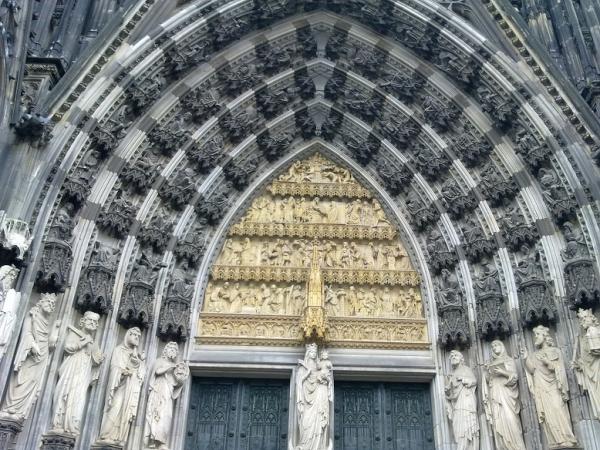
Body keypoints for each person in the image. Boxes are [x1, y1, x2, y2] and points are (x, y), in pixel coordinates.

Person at [0, 294, 59, 422]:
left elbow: (49, 344)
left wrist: (55, 331)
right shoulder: (33, 315)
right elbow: (26, 333)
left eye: (53, 304)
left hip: (41, 357)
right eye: (48, 302)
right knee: (21, 378)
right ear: (41, 302)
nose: (51, 305)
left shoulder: (47, 323)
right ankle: (10, 407)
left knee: (32, 381)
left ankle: (20, 411)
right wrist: (32, 344)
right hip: (30, 355)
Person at [522, 326, 578, 448]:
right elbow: (532, 370)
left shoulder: (555, 351)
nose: (535, 337)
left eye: (537, 334)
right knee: (548, 415)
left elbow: (559, 368)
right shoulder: (534, 355)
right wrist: (526, 358)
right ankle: (555, 440)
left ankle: (567, 437)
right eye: (535, 335)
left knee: (558, 408)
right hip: (541, 387)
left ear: (544, 336)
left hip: (554, 386)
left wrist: (548, 362)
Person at [50, 311, 104, 435]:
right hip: (72, 369)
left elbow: (95, 359)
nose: (92, 323)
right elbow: (68, 347)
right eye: (90, 320)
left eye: (95, 322)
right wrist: (84, 342)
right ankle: (60, 422)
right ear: (82, 321)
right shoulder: (74, 333)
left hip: (84, 373)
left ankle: (73, 423)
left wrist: (99, 358)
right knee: (66, 392)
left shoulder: (94, 342)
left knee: (79, 397)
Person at [97, 327, 146, 446]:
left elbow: (140, 375)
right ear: (128, 335)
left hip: (130, 389)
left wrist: (141, 362)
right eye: (134, 335)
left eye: (138, 336)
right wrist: (123, 372)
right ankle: (106, 435)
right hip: (119, 387)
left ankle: (118, 438)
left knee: (125, 412)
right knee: (115, 407)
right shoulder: (119, 350)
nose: (137, 338)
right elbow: (114, 368)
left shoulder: (136, 356)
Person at [144, 342, 189, 449]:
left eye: (175, 350)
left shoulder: (175, 366)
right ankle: (153, 439)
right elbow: (157, 371)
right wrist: (170, 366)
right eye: (171, 349)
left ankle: (161, 441)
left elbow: (176, 383)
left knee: (167, 415)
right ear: (165, 350)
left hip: (168, 393)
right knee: (157, 413)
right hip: (158, 392)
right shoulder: (160, 361)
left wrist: (181, 379)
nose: (173, 351)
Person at [483, 340, 526, 450]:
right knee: (498, 420)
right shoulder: (491, 363)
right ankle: (504, 446)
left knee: (510, 418)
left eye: (496, 345)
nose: (494, 347)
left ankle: (516, 446)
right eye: (492, 346)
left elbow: (514, 376)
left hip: (507, 394)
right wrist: (487, 371)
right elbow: (488, 380)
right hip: (495, 394)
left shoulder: (508, 360)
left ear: (502, 346)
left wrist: (502, 372)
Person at [295, 343, 333, 450]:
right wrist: (307, 372)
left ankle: (319, 446)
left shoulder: (319, 367)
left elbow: (325, 378)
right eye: (311, 352)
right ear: (308, 353)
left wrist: (326, 381)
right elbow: (299, 381)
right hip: (306, 400)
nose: (313, 354)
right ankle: (305, 445)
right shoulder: (303, 368)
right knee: (306, 422)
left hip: (319, 397)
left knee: (319, 419)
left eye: (315, 352)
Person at [445, 350, 479, 450]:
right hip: (456, 405)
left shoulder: (466, 370)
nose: (453, 357)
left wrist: (463, 379)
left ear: (461, 359)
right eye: (451, 356)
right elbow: (450, 393)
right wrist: (448, 390)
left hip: (466, 401)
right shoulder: (450, 375)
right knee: (458, 426)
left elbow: (474, 381)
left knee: (467, 425)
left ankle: (469, 447)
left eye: (456, 355)